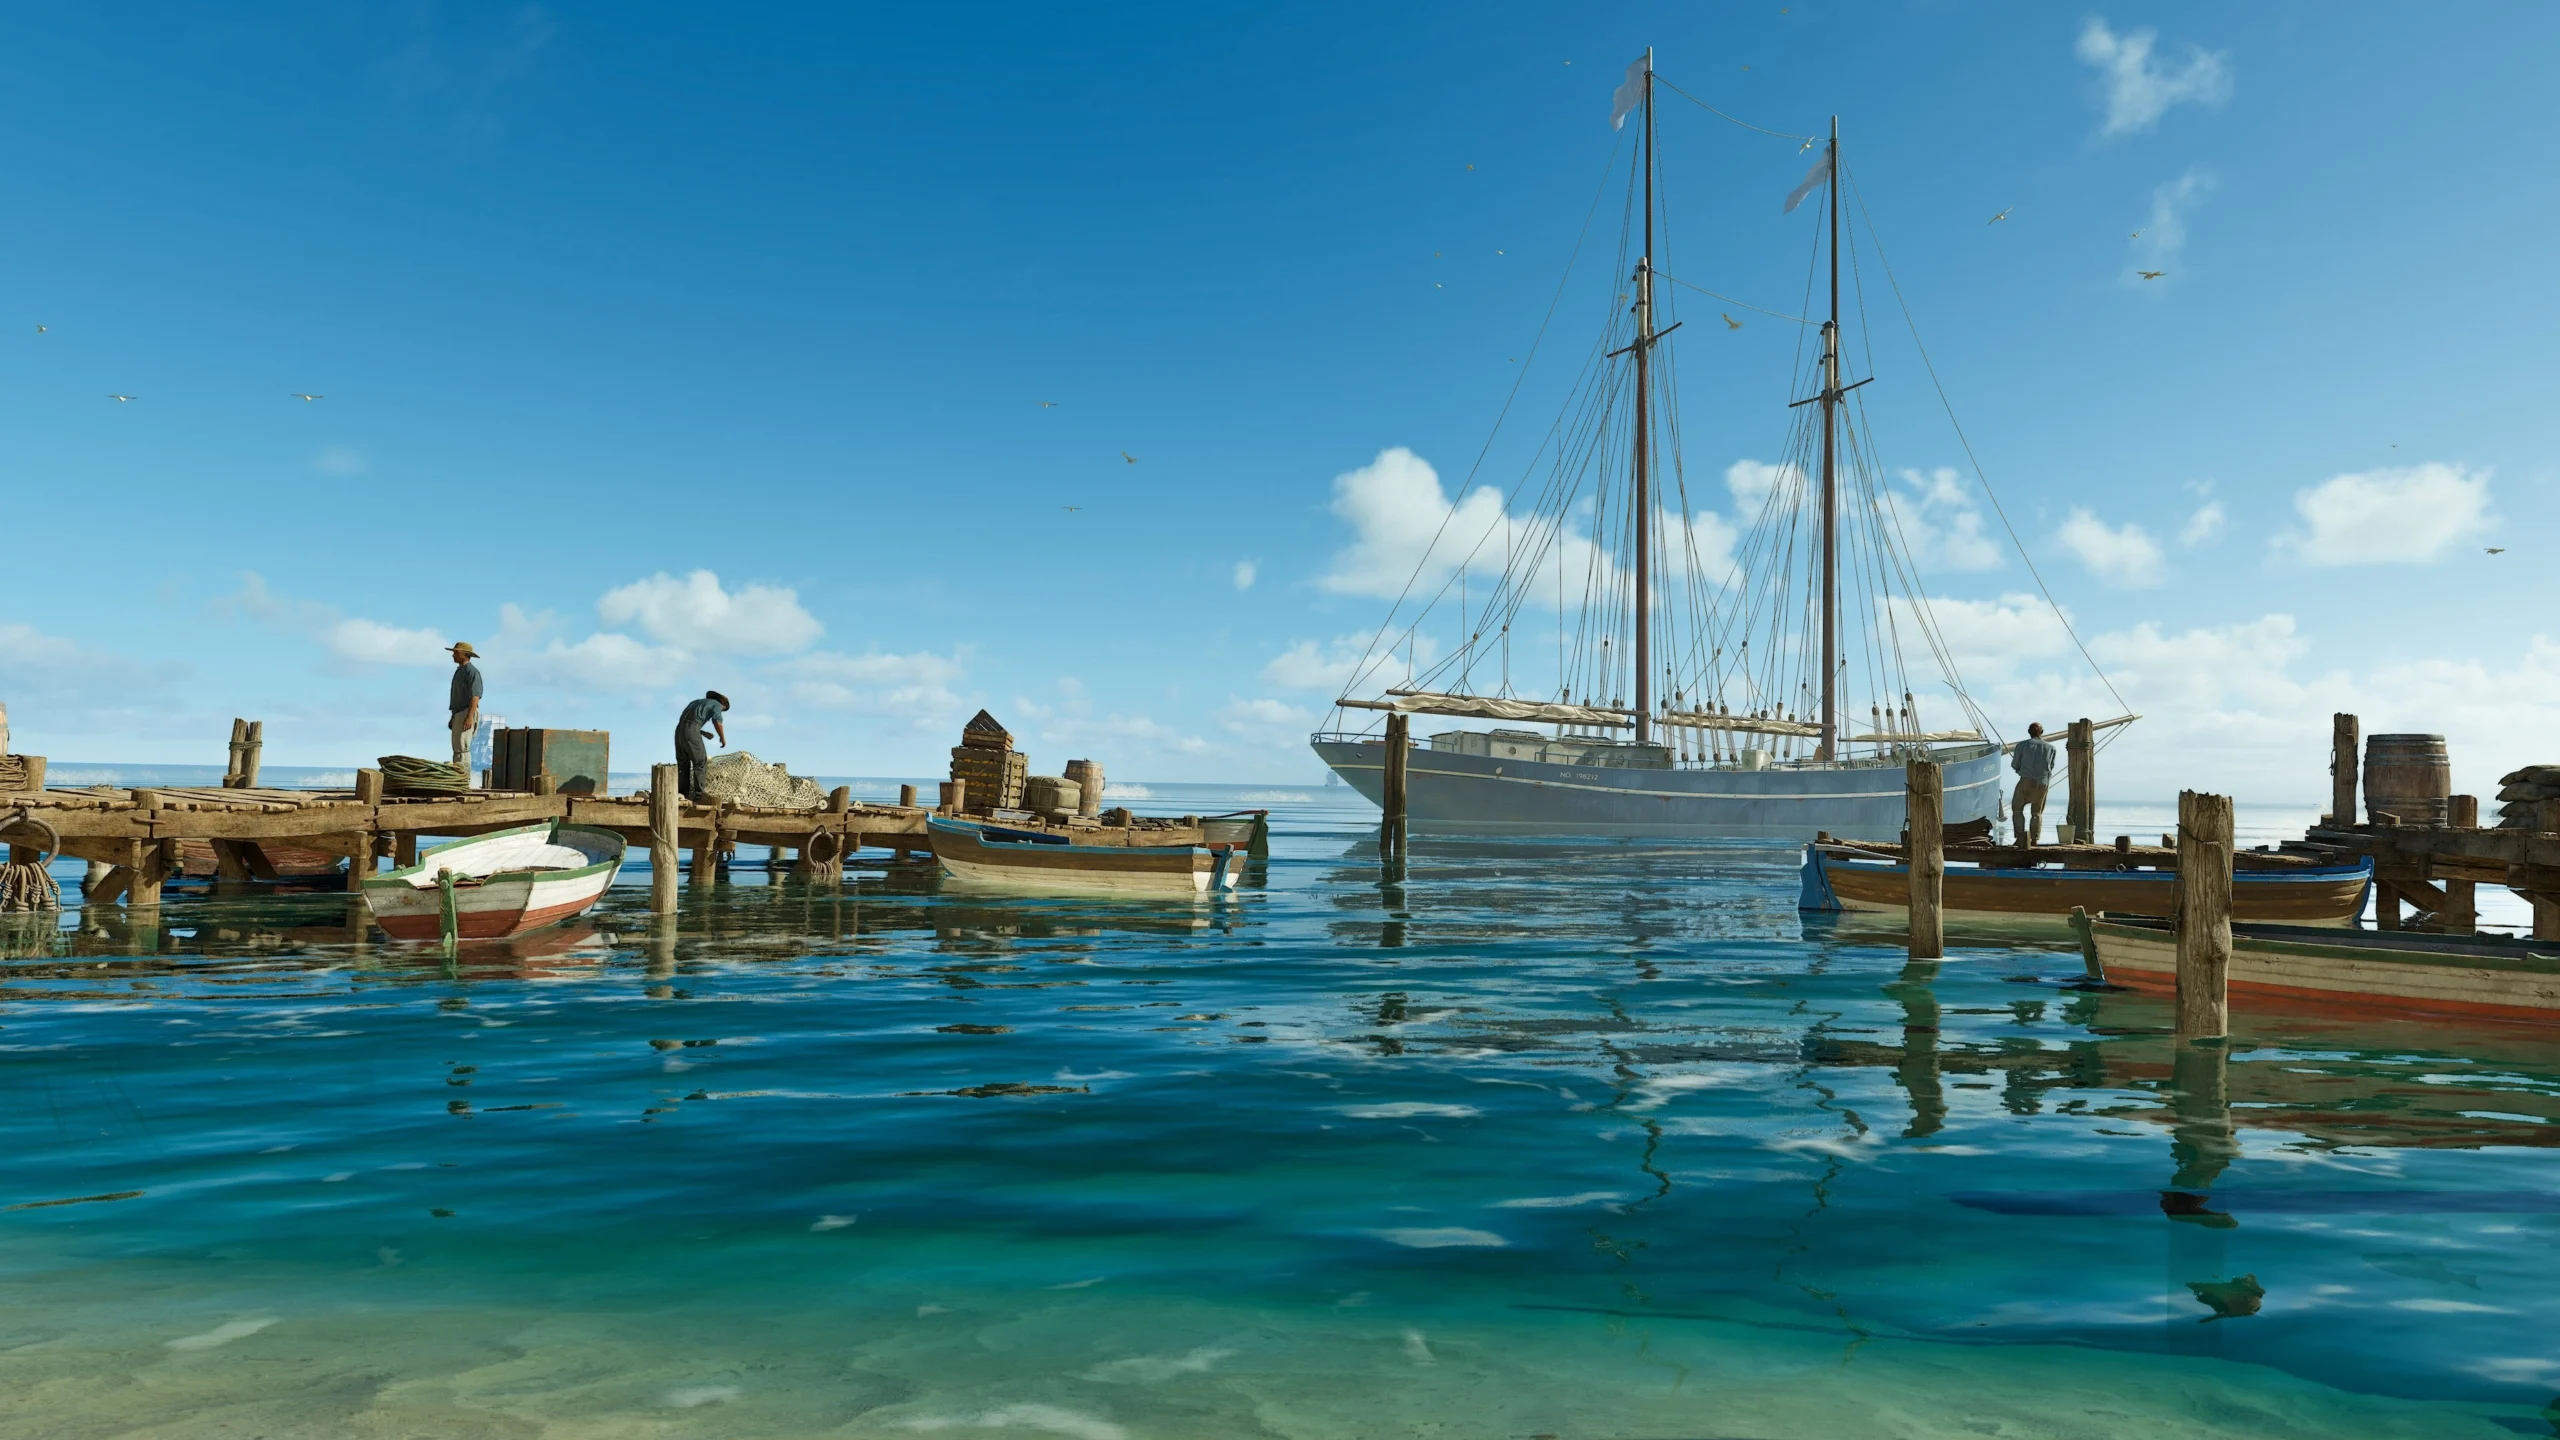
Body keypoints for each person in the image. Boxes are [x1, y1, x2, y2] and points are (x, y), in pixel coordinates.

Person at [674, 690, 730, 801]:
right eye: (723, 710)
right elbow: (717, 721)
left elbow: (688, 722)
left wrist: (702, 733)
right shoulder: (717, 705)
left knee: (683, 763)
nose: (721, 711)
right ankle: (699, 796)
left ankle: (682, 794)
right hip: (691, 731)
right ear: (723, 705)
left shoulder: (696, 702)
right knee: (700, 761)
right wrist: (722, 738)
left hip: (679, 731)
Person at [2010, 721, 2058, 846]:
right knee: (2037, 812)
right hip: (2042, 782)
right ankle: (2034, 839)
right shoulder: (2051, 748)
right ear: (2042, 732)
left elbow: (2015, 764)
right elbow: (2051, 766)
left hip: (2025, 780)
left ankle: (2020, 837)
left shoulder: (2021, 746)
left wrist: (2020, 770)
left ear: (2028, 732)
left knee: (2017, 809)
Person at [448, 642, 483, 783]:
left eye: (456, 652)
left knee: (463, 747)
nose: (453, 655)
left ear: (464, 654)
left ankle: (464, 780)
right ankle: (457, 778)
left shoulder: (472, 671)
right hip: (458, 712)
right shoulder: (460, 671)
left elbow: (476, 695)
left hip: (466, 711)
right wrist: (453, 716)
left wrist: (469, 716)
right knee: (457, 747)